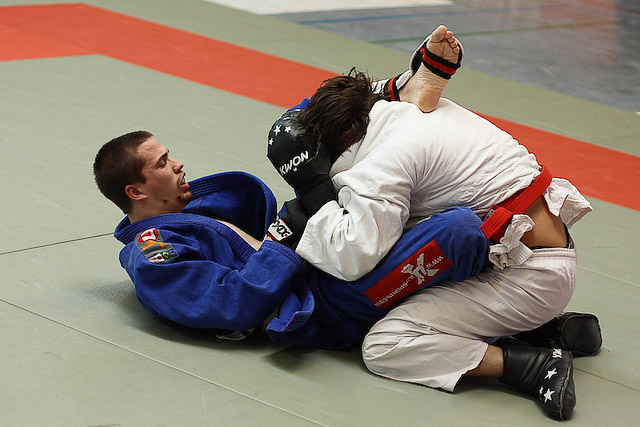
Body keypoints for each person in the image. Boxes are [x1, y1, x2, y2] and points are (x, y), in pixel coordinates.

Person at [266, 25, 600, 420]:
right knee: (423, 235)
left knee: (385, 344)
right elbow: (333, 100)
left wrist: (313, 190)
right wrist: (409, 79)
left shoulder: (380, 166)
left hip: (526, 279)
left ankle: (526, 362)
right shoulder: (404, 108)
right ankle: (545, 329)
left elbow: (353, 258)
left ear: (340, 141)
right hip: (541, 251)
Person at [93, 130, 489, 350]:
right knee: (459, 231)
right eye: (163, 163)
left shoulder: (193, 210)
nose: (178, 164)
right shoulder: (154, 256)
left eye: (170, 155)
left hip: (322, 261)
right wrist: (283, 236)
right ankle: (512, 347)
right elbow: (233, 303)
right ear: (136, 192)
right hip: (327, 304)